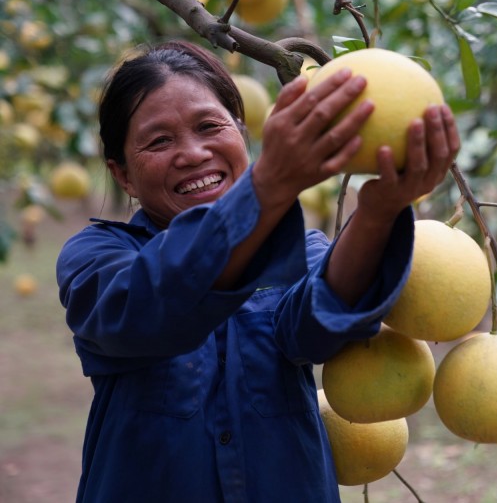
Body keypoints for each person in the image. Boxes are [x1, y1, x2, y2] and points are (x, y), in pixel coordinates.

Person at [55, 39, 459, 502]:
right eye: (159, 141)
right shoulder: (97, 257)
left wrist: (381, 210)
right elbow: (148, 309)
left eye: (209, 126)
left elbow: (315, 329)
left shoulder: (297, 249)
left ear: (241, 135)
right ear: (123, 174)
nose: (192, 153)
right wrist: (269, 184)